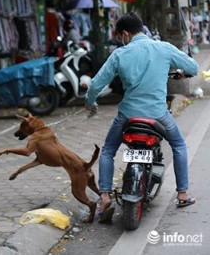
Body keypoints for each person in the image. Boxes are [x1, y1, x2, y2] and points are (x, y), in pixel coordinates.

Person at [85, 12, 198, 222]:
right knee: (179, 146)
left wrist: (90, 103)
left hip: (127, 115)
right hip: (158, 114)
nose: (121, 41)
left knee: (108, 150)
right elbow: (193, 67)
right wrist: (181, 72)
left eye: (120, 37)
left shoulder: (119, 54)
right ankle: (182, 194)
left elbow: (95, 85)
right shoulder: (163, 47)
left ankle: (105, 195)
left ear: (125, 34)